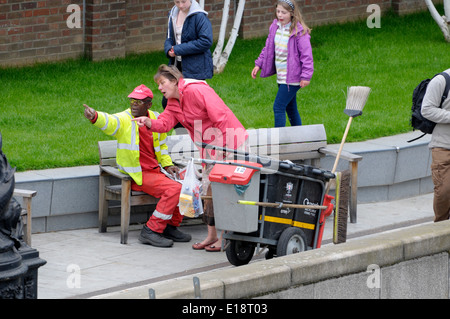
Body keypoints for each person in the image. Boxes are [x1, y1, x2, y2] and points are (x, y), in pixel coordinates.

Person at [132, 65, 248, 252]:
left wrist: (224, 149)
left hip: (230, 143)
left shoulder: (197, 90)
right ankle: (211, 236)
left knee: (225, 191)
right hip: (210, 149)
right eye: (158, 85)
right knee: (208, 191)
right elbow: (164, 123)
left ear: (175, 80)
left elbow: (221, 117)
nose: (160, 88)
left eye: (162, 83)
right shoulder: (172, 103)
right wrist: (148, 122)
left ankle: (224, 237)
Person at [83, 84, 191, 247]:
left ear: (148, 105)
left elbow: (161, 146)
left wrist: (168, 165)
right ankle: (151, 230)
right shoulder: (125, 119)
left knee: (187, 183)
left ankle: (170, 227)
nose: (133, 103)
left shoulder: (155, 118)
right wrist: (95, 117)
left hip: (156, 172)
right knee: (174, 189)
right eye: (132, 100)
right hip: (137, 175)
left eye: (138, 101)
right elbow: (110, 122)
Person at [251, 0, 313, 128]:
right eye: (278, 11)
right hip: (281, 76)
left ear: (292, 13)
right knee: (291, 109)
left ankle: (278, 140)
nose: (280, 15)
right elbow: (267, 48)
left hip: (292, 78)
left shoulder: (299, 32)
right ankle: (300, 137)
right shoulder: (275, 27)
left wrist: (306, 76)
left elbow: (307, 56)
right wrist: (259, 64)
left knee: (278, 106)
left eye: (283, 12)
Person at [163, 0, 214, 125]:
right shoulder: (173, 14)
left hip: (195, 67)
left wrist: (178, 49)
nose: (180, 5)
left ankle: (197, 132)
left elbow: (206, 41)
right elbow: (169, 37)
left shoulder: (199, 16)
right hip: (176, 66)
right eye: (177, 2)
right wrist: (168, 49)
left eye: (183, 1)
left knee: (192, 104)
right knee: (168, 101)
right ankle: (182, 132)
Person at [421, 69, 450, 222]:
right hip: (444, 146)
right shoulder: (442, 80)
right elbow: (426, 109)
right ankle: (440, 227)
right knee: (444, 191)